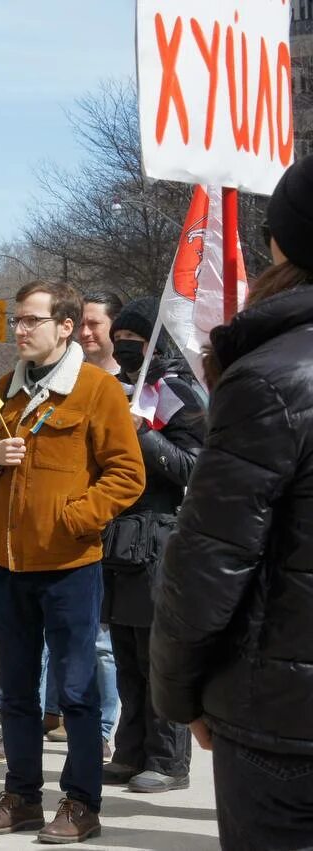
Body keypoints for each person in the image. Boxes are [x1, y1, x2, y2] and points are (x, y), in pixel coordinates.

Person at [151, 157, 313, 849]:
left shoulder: (270, 379)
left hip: (284, 725)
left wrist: (179, 693)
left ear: (279, 244)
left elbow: (208, 563)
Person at [0, 281, 143, 842]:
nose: (20, 330)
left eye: (32, 320)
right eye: (17, 320)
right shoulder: (6, 392)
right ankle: (20, 797)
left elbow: (127, 475)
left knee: (75, 692)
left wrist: (74, 518)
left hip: (69, 564)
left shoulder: (96, 390)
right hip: (7, 562)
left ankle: (81, 805)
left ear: (65, 326)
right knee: (15, 692)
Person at [96, 297, 203, 794]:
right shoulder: (114, 388)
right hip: (116, 538)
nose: (123, 348)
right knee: (124, 654)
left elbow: (194, 468)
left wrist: (142, 434)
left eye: (132, 341)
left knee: (154, 655)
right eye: (118, 341)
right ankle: (131, 750)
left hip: (159, 537)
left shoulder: (177, 393)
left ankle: (167, 760)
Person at [43, 291, 126, 753]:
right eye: (83, 324)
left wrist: (81, 514)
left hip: (120, 537)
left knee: (102, 645)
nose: (89, 332)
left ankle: (102, 732)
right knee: (60, 639)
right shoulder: (64, 382)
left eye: (97, 324)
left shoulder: (135, 386)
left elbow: (127, 472)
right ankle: (49, 715)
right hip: (71, 541)